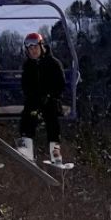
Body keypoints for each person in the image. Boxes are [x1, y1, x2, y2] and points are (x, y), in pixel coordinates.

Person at [18, 31, 66, 165]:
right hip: (34, 100)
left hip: (51, 99)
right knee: (27, 117)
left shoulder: (53, 63)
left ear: (41, 46)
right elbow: (25, 85)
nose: (33, 51)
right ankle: (26, 149)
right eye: (30, 49)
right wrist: (33, 96)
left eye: (35, 48)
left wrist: (50, 95)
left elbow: (60, 84)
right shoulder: (28, 66)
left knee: (52, 119)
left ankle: (55, 151)